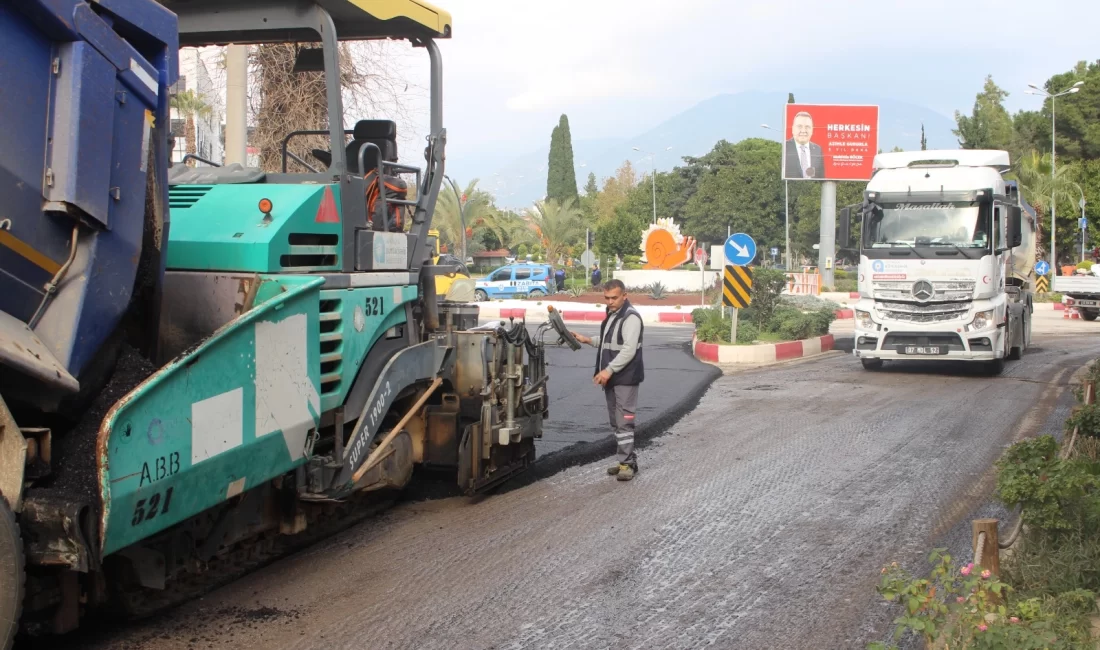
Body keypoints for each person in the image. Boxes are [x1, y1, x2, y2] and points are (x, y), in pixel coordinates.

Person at [569, 279, 644, 481]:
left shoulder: (631, 318)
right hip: (613, 378)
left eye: (614, 298)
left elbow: (628, 350)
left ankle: (627, 464)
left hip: (625, 378)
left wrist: (608, 371)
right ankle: (625, 461)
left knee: (625, 421)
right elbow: (609, 342)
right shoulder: (613, 314)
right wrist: (587, 340)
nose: (610, 301)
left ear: (624, 295)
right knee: (616, 421)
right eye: (607, 298)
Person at [784, 111, 825, 179]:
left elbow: (821, 177)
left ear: (812, 130)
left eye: (807, 127)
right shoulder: (785, 147)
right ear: (793, 129)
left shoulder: (818, 150)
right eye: (799, 126)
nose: (803, 130)